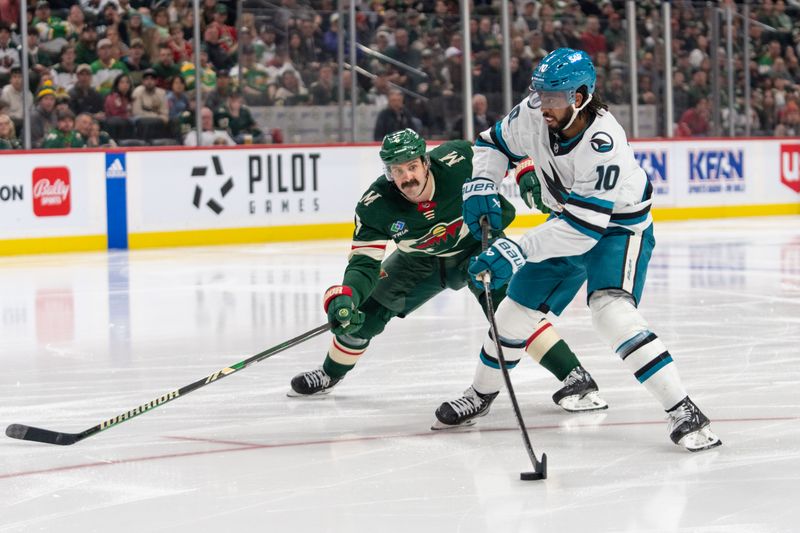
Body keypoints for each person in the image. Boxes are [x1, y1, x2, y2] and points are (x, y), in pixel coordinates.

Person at [450, 48, 721, 452]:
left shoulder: (603, 143)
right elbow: (492, 144)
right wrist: (483, 183)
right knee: (512, 313)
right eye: (539, 93)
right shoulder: (534, 111)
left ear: (580, 97)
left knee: (611, 313)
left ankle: (683, 409)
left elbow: (583, 231)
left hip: (617, 229)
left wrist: (517, 249)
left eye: (553, 97)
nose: (542, 105)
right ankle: (481, 394)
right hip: (569, 221)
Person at [287, 129, 607, 428]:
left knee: (511, 311)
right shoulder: (375, 206)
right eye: (398, 171)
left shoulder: (459, 160)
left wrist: (528, 174)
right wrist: (348, 297)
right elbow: (363, 265)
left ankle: (575, 377)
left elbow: (513, 146)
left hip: (477, 245)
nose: (407, 177)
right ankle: (330, 373)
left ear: (426, 161)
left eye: (412, 166)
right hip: (420, 262)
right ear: (389, 173)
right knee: (365, 317)